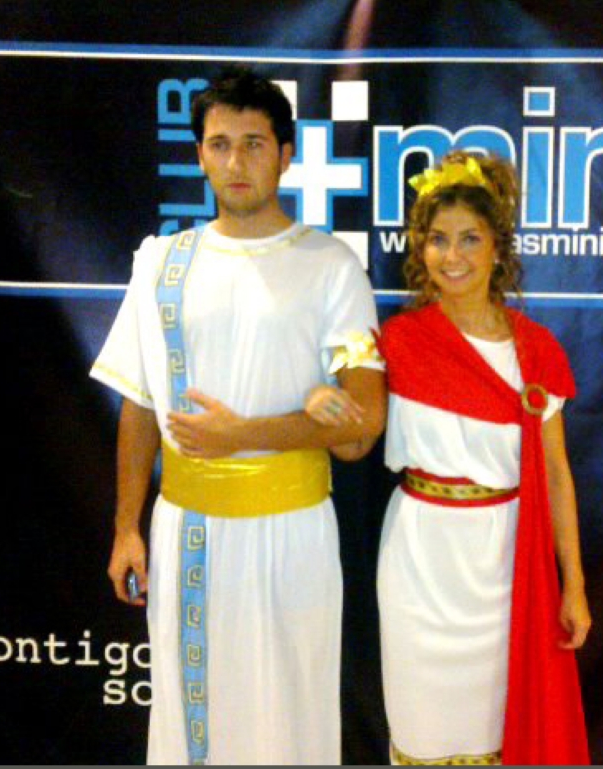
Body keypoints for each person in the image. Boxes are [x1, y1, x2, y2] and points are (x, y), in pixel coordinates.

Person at [90, 67, 386, 766]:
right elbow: (139, 402)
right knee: (194, 718)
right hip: (187, 531)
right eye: (220, 144)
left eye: (254, 144)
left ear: (285, 154)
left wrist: (245, 434)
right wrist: (126, 525)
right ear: (199, 154)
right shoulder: (161, 264)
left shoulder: (331, 266)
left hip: (294, 535)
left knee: (290, 712)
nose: (235, 162)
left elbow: (366, 417)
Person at [307, 150, 591, 765]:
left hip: (505, 564)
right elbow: (354, 440)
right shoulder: (398, 342)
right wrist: (324, 406)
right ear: (421, 248)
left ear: (497, 249)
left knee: (499, 733)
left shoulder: (537, 351)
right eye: (438, 239)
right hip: (419, 560)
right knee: (423, 735)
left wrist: (574, 585)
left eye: (469, 238)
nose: (452, 255)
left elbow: (557, 476)